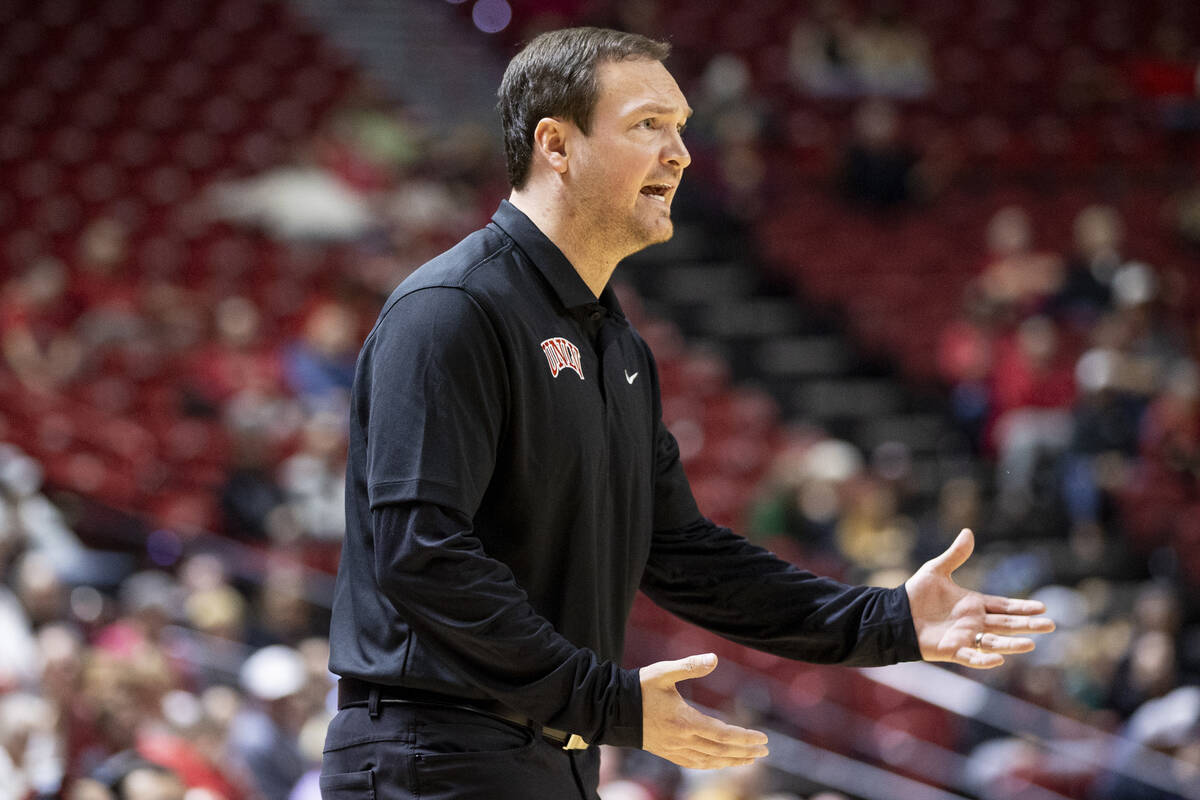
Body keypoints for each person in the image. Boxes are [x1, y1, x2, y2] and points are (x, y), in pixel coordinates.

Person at [321, 27, 1055, 800]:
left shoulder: (619, 347)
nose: (682, 152)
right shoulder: (451, 311)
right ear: (556, 145)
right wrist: (605, 701)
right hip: (428, 758)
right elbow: (423, 555)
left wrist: (888, 621)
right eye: (649, 125)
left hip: (553, 758)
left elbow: (684, 555)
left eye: (681, 126)